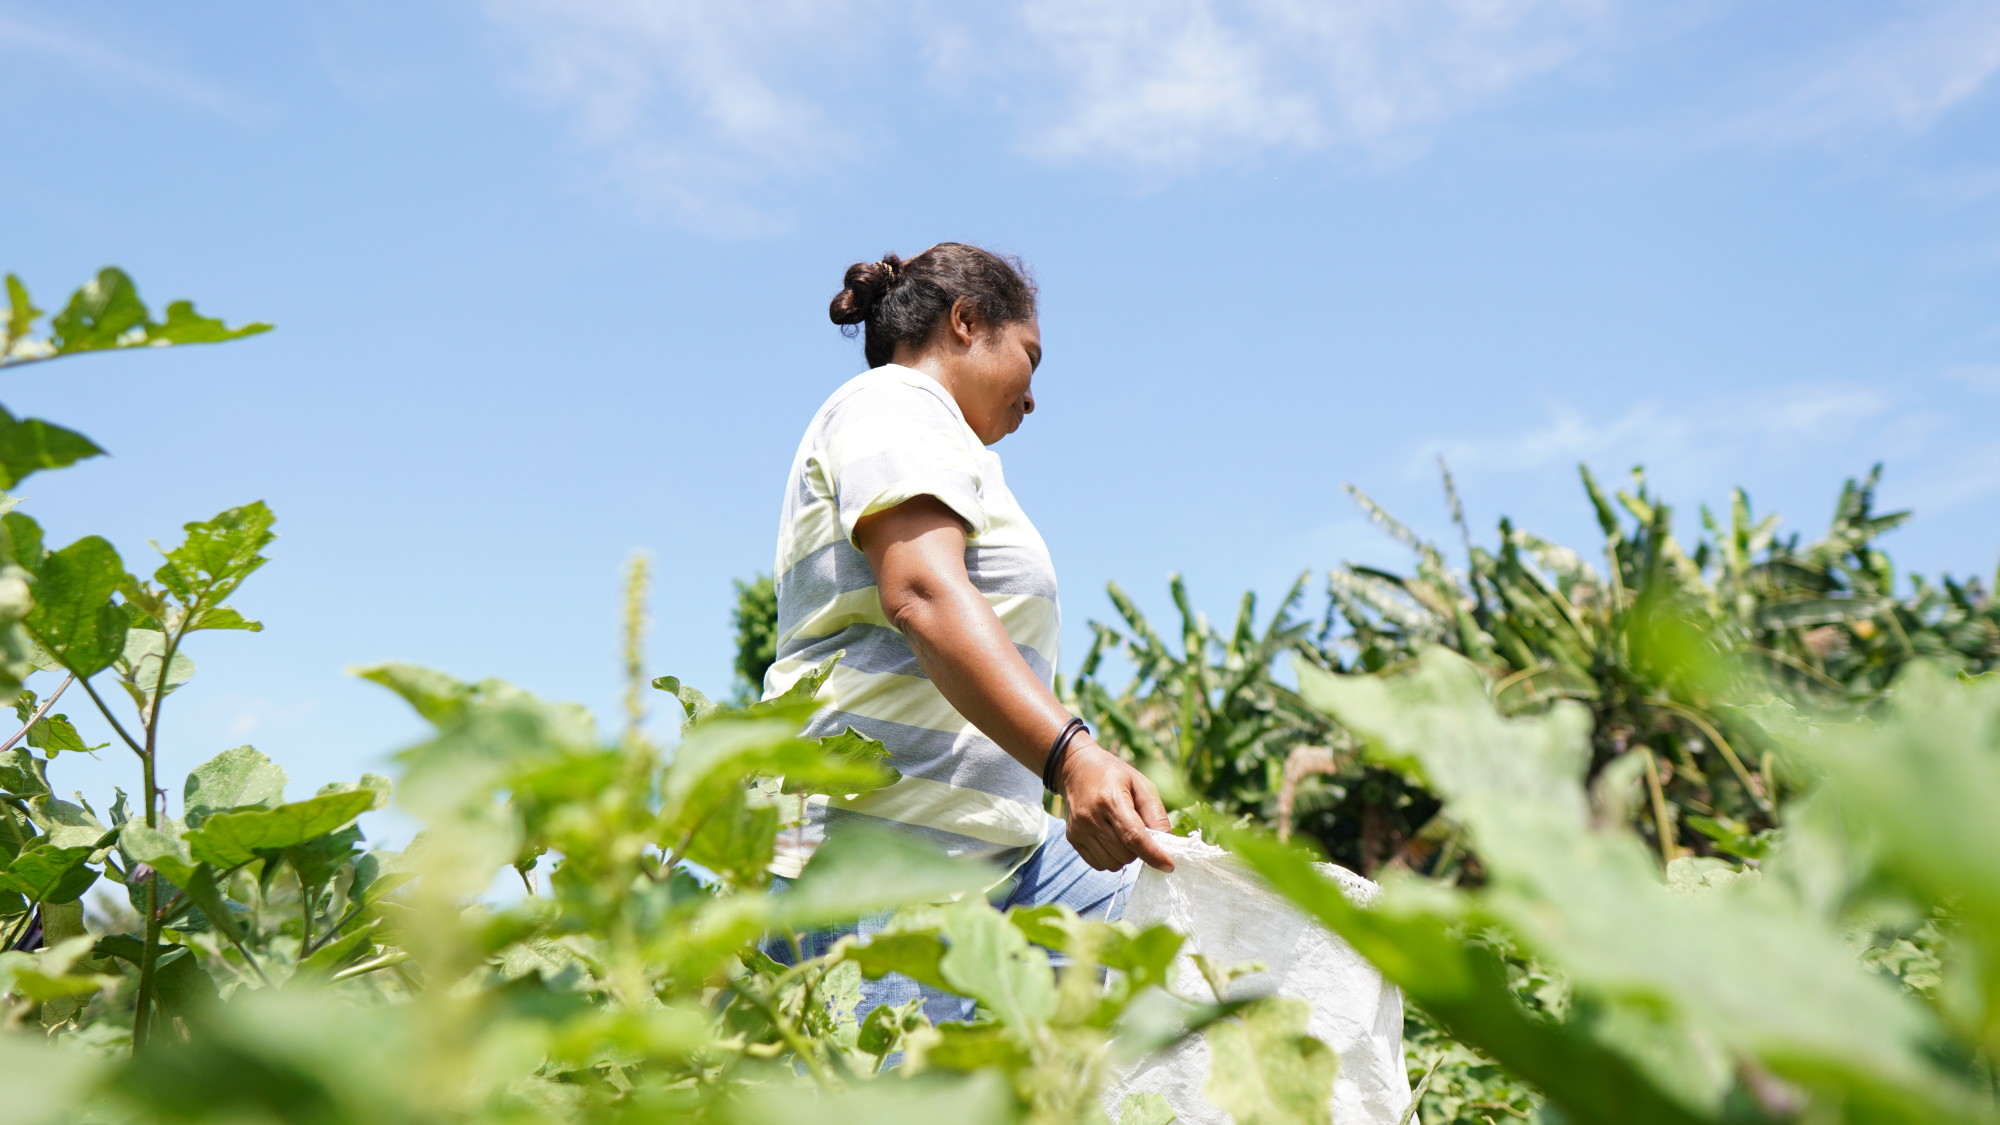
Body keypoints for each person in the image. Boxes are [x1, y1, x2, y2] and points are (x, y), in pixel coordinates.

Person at [761, 242, 1174, 1025]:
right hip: (886, 865)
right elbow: (921, 590)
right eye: (1031, 357)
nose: (1033, 396)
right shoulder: (891, 404)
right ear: (965, 321)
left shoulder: (954, 453)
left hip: (1008, 856)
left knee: (1202, 956)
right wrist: (1072, 754)